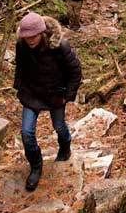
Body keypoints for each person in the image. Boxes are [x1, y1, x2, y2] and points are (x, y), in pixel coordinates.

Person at [13, 12, 82, 191]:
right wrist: (19, 86)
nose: (30, 40)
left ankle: (65, 147)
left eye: (34, 36)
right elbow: (20, 66)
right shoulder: (21, 45)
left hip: (55, 94)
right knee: (26, 133)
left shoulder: (60, 46)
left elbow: (75, 71)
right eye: (27, 36)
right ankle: (36, 166)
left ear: (42, 32)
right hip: (32, 93)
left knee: (59, 126)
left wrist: (68, 95)